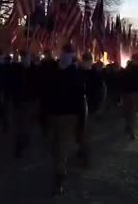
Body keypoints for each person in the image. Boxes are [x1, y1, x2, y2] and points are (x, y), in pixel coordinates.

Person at [47, 44, 86, 196]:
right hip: (60, 114)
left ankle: (59, 174)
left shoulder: (68, 72)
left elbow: (79, 97)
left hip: (63, 115)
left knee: (60, 145)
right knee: (57, 145)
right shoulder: (62, 71)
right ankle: (59, 169)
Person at [10, 50, 37, 158]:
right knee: (20, 122)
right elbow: (12, 83)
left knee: (24, 122)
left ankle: (23, 139)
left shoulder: (33, 69)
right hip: (19, 100)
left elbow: (36, 84)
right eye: (23, 57)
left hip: (28, 99)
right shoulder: (17, 69)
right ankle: (20, 142)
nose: (25, 59)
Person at [121, 54, 138, 140]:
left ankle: (131, 130)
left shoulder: (128, 69)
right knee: (129, 112)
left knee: (131, 113)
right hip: (131, 93)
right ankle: (129, 127)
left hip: (132, 93)